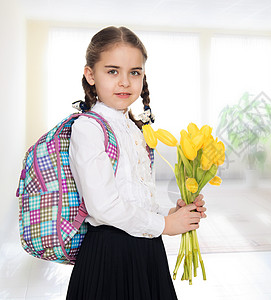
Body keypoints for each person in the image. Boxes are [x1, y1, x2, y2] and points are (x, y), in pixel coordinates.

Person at [66, 26, 206, 299]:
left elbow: (135, 196)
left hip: (148, 251)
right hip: (110, 256)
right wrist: (163, 226)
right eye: (112, 71)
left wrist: (172, 216)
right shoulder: (89, 128)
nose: (125, 82)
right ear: (90, 75)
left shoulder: (135, 127)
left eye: (135, 72)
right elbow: (104, 207)